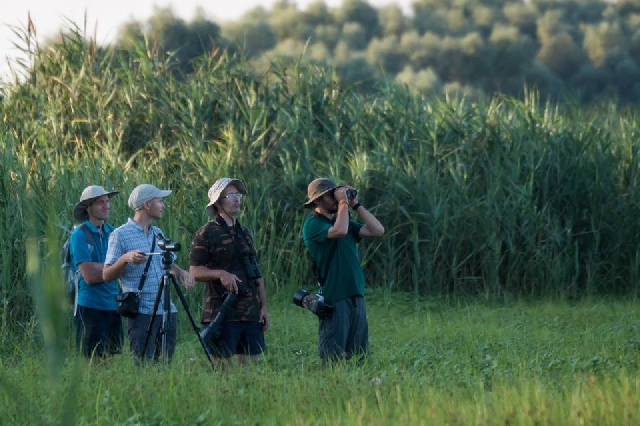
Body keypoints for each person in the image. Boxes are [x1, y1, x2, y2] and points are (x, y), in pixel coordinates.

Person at [103, 184, 194, 362]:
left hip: (166, 309)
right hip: (142, 312)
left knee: (166, 365)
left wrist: (181, 273)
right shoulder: (120, 234)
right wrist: (125, 258)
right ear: (147, 205)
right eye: (160, 201)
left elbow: (166, 264)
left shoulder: (157, 233)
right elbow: (106, 275)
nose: (163, 205)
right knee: (144, 365)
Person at [302, 178, 384, 364]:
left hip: (356, 293)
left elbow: (378, 230)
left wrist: (356, 205)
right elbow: (339, 231)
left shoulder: (345, 222)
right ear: (317, 201)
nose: (335, 198)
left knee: (359, 357)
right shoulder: (312, 225)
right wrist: (343, 202)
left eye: (336, 194)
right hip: (334, 296)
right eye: (330, 195)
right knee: (333, 358)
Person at [189, 178, 269, 366]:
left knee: (251, 366)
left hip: (250, 311)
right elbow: (194, 271)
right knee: (223, 370)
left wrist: (263, 306)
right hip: (222, 311)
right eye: (231, 195)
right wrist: (221, 274)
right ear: (218, 202)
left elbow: (257, 273)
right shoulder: (206, 233)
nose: (237, 200)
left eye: (238, 195)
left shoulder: (245, 232)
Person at [71, 185, 122, 358]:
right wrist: (115, 265)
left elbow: (127, 266)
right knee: (91, 361)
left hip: (114, 306)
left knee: (114, 359)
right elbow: (89, 276)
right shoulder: (79, 235)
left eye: (107, 201)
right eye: (101, 202)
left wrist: (102, 266)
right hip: (90, 307)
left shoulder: (113, 232)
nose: (106, 206)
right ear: (88, 207)